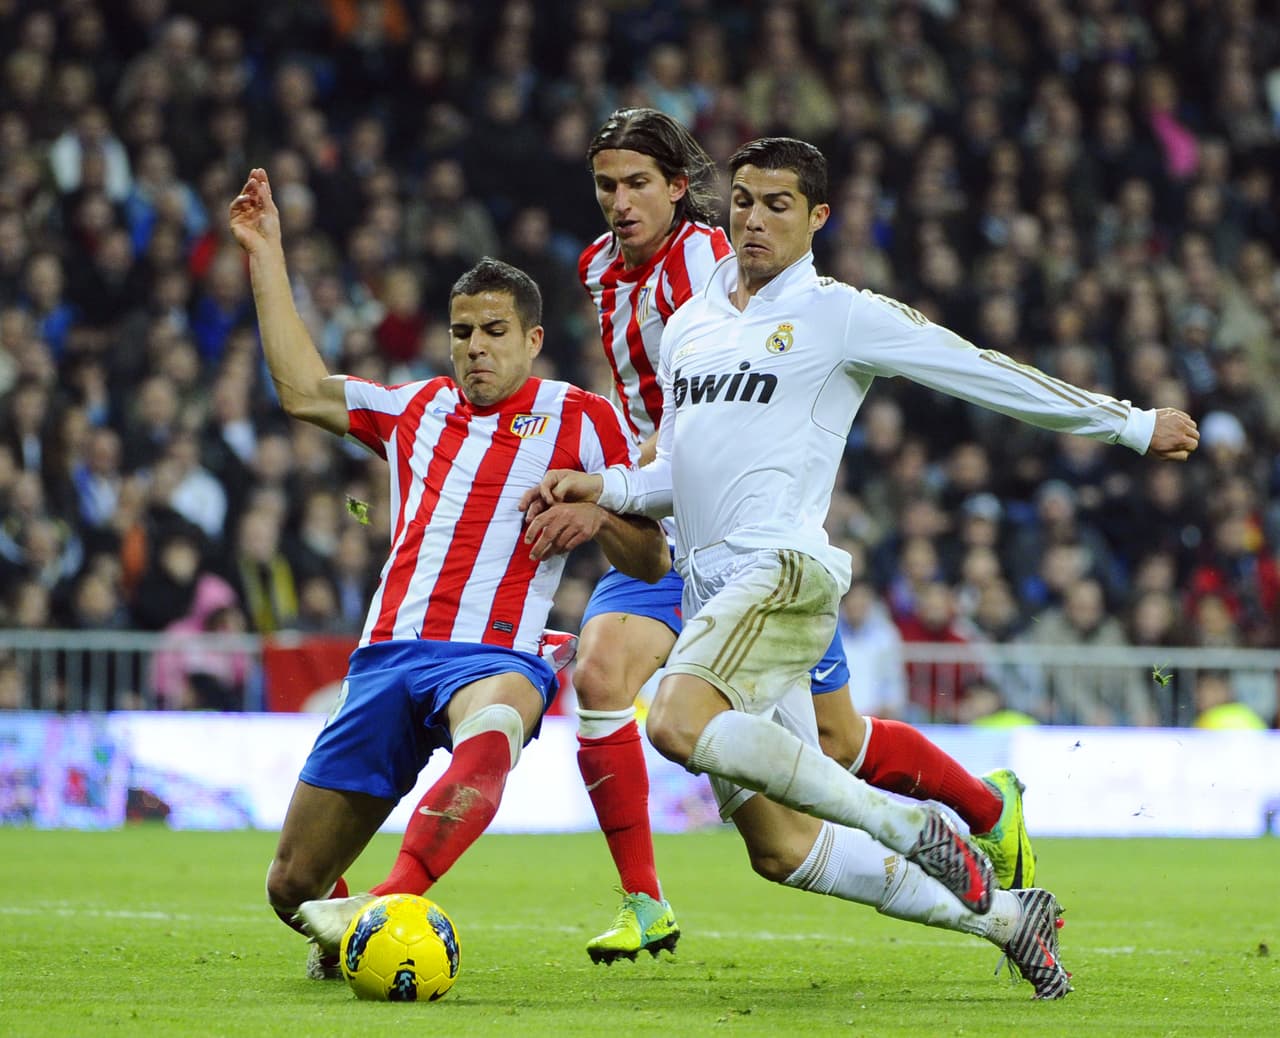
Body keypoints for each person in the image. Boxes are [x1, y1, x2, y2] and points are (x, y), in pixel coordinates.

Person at [526, 137, 1201, 999]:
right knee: (782, 850)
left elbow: (980, 371)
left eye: (777, 204)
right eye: (742, 201)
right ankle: (1004, 918)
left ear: (818, 219)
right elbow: (678, 472)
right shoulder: (693, 324)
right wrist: (608, 484)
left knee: (672, 722)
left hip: (778, 575)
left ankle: (911, 821)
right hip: (709, 594)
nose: (754, 219)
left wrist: (1130, 425)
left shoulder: (841, 314)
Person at [570, 108, 1038, 965]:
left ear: (681, 191)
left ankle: (969, 810)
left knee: (820, 740)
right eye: (606, 185)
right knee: (620, 690)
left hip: (758, 542)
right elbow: (668, 413)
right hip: (671, 515)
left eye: (638, 183)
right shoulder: (602, 272)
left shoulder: (721, 261)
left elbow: (789, 367)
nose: (619, 202)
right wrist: (614, 483)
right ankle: (647, 899)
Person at [228, 168, 669, 979]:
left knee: (496, 723)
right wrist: (265, 253)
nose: (475, 348)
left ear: (532, 340)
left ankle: (394, 899)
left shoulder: (583, 417)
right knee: (291, 885)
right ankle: (350, 920)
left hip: (494, 655)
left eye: (494, 331)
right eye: (463, 332)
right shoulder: (413, 409)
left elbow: (651, 559)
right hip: (389, 654)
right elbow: (299, 391)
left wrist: (601, 516)